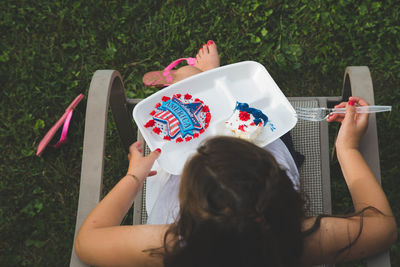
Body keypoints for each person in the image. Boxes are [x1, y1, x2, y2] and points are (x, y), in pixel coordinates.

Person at [74, 42, 397, 266]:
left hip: (182, 185)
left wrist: (134, 175)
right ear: (286, 199)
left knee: (191, 87)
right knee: (254, 115)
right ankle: (202, 76)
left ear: (187, 207)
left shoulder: (167, 246)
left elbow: (88, 241)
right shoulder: (304, 241)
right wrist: (347, 147)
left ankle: (194, 76)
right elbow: (382, 227)